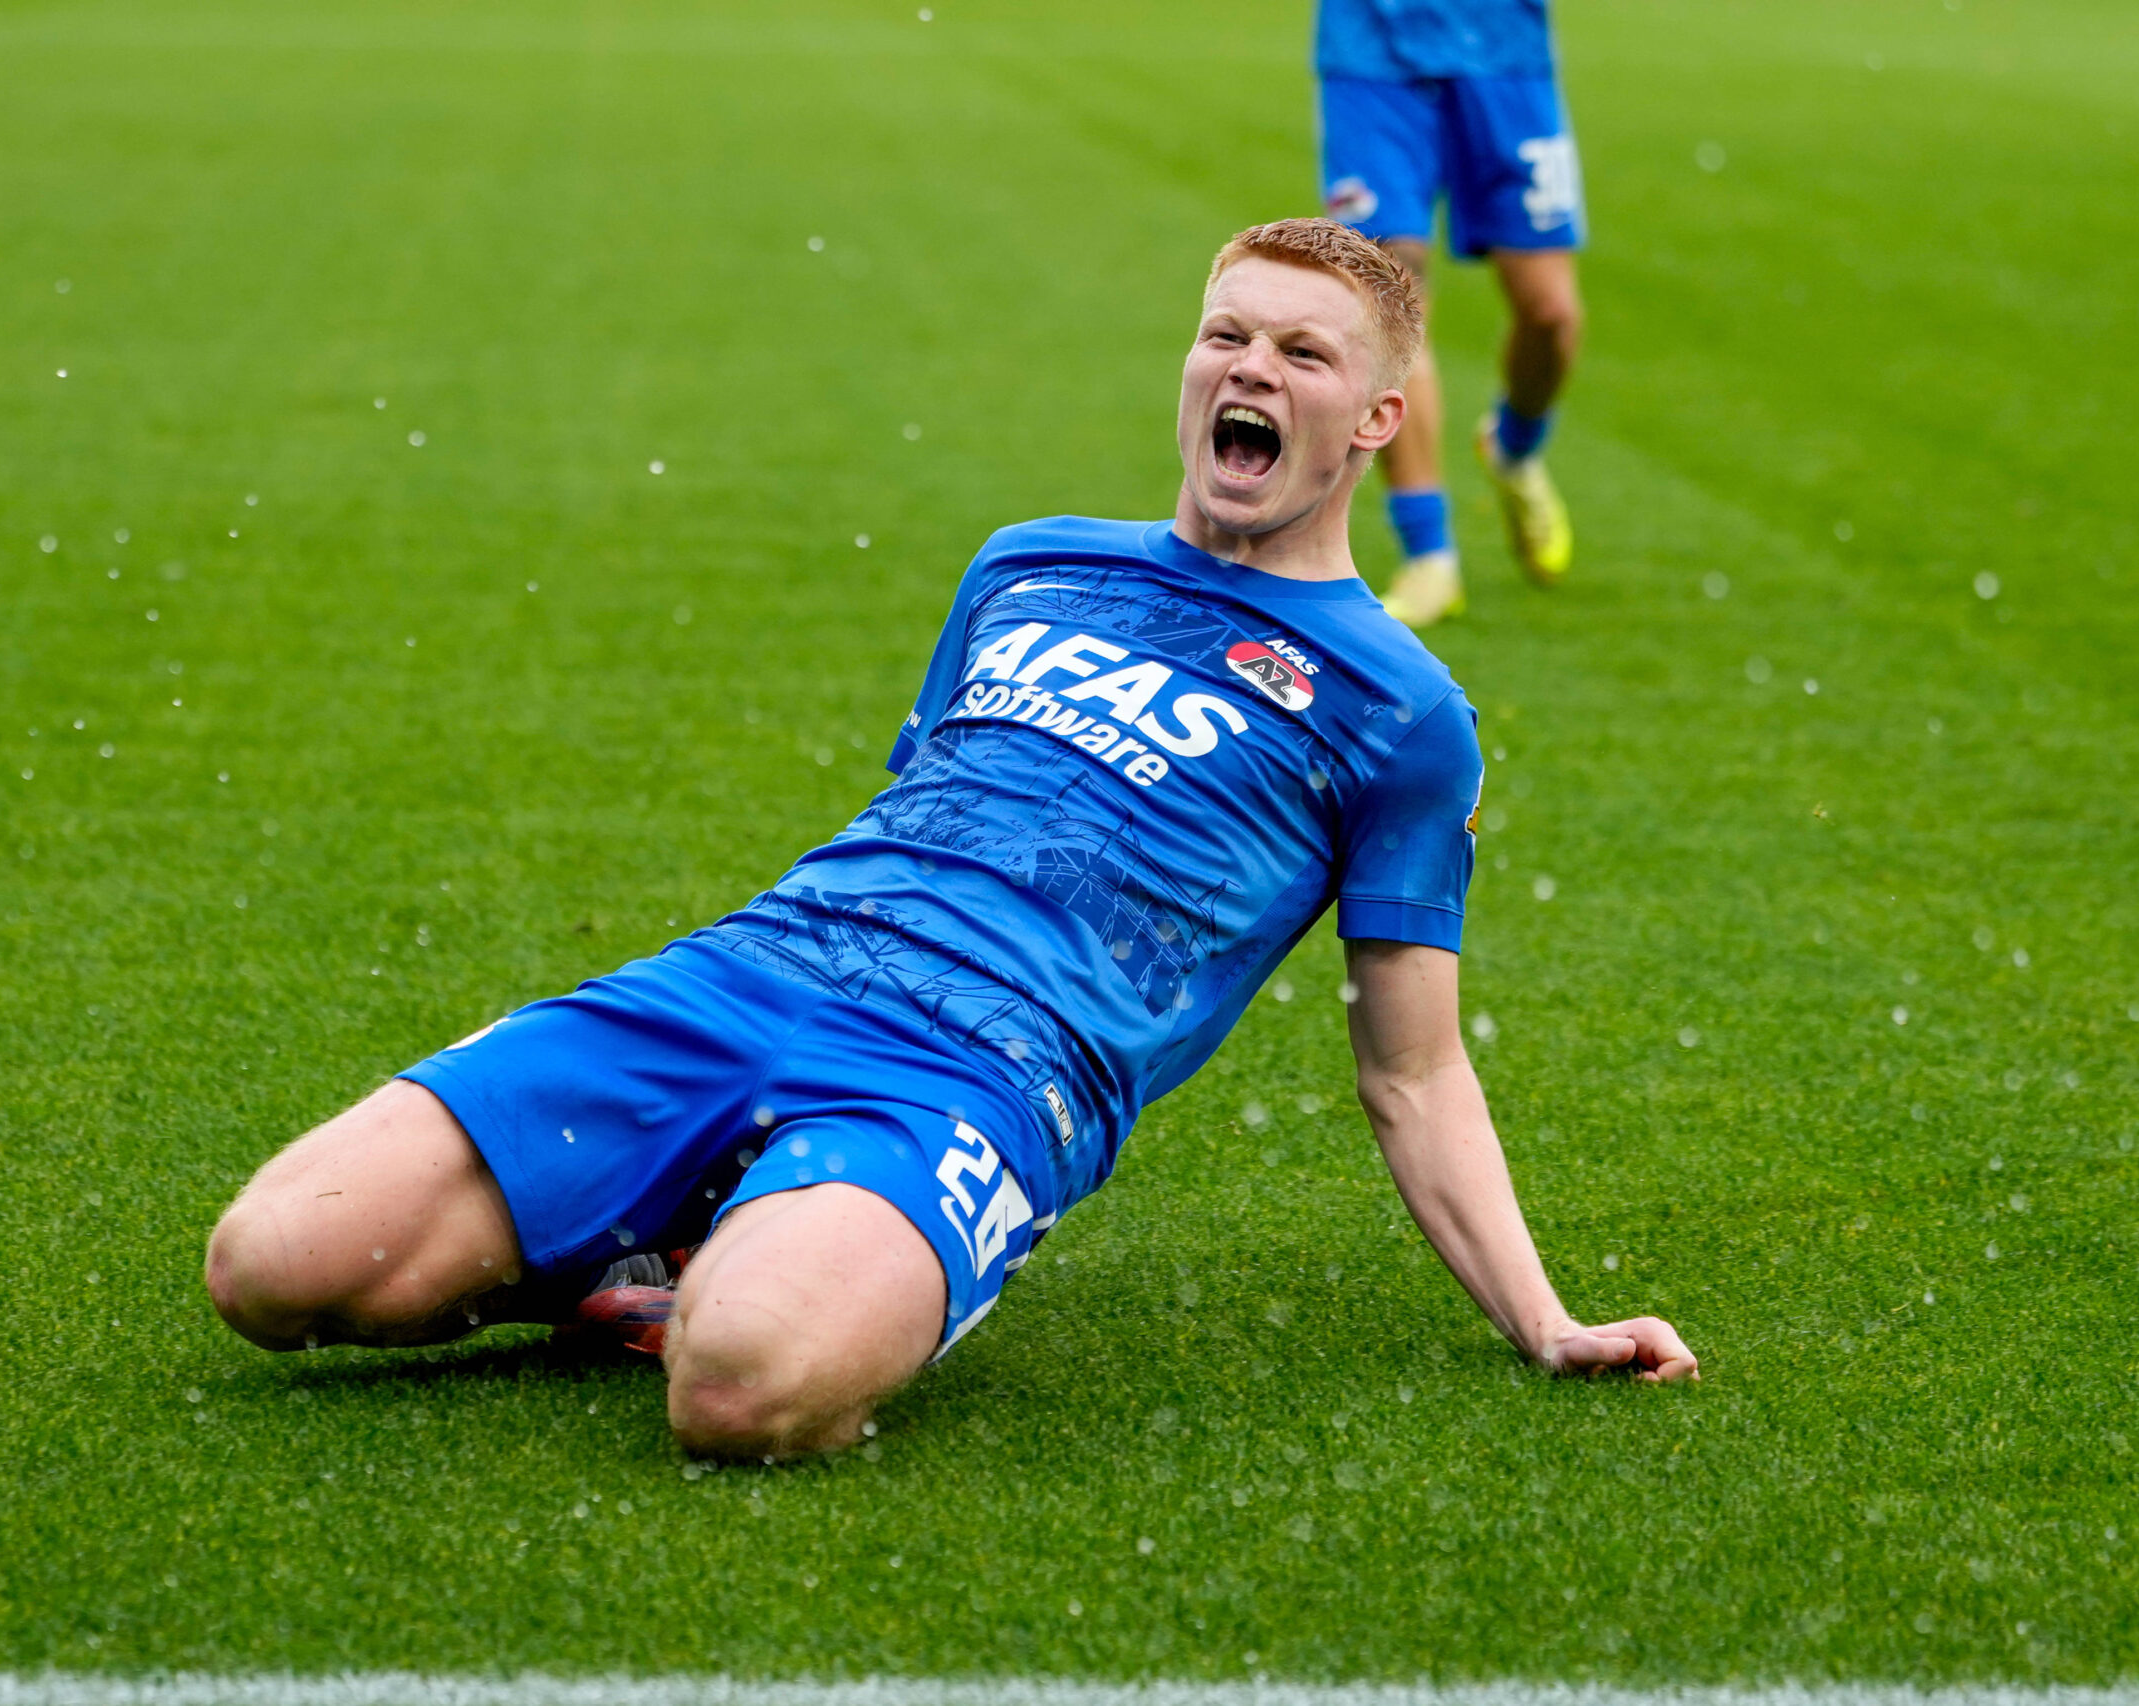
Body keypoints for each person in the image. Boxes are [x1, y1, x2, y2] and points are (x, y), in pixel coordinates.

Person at [202, 219, 1696, 1459]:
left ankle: (784, 1249)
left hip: (984, 1074)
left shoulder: (1399, 709)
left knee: (737, 1393)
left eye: (1303, 353)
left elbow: (1413, 1066)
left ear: (1376, 419)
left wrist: (1545, 1317)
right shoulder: (1024, 564)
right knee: (271, 1268)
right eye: (1226, 334)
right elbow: (916, 802)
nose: (1251, 368)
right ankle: (636, 1242)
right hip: (758, 971)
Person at [1314, 0, 1585, 627]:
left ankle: (1514, 450)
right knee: (1387, 295)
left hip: (1503, 50)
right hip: (1372, 51)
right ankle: (1430, 554)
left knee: (1550, 312)